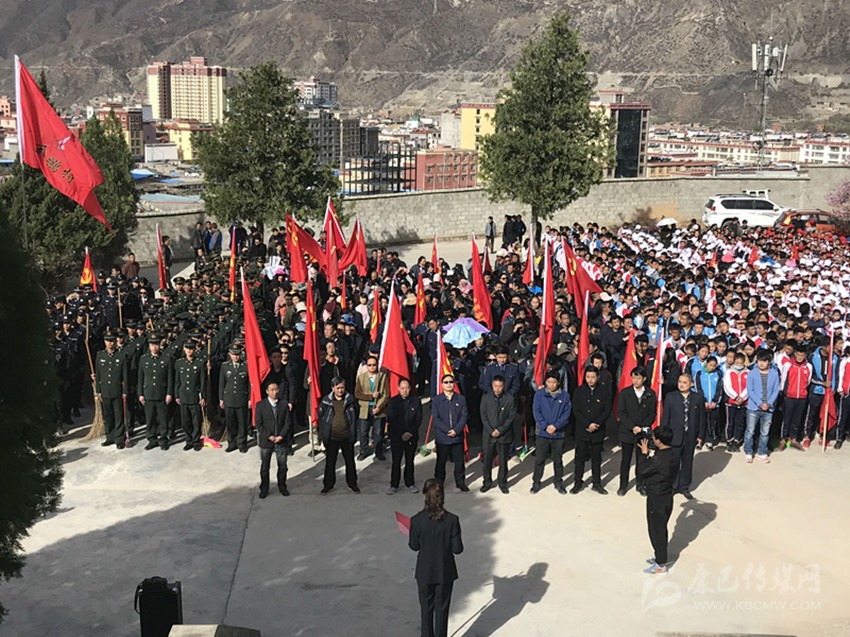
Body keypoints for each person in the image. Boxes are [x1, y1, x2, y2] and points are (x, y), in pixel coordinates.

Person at [409, 478, 463, 637]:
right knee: (442, 610)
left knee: (426, 610)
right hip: (445, 571)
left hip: (425, 571)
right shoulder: (452, 520)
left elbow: (414, 546)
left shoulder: (416, 520)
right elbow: (457, 549)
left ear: (424, 496)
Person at [637, 425, 679, 574]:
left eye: (654, 438)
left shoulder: (658, 460)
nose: (652, 439)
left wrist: (644, 455)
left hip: (657, 498)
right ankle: (660, 556)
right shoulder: (674, 454)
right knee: (661, 528)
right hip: (667, 496)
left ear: (659, 441)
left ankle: (661, 563)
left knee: (656, 530)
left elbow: (641, 471)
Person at [660, 373, 705, 500]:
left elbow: (702, 418)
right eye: (680, 382)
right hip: (674, 436)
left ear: (691, 384)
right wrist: (664, 436)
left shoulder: (698, 398)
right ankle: (673, 486)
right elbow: (666, 418)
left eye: (685, 382)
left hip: (690, 436)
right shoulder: (671, 397)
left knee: (687, 462)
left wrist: (701, 435)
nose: (681, 384)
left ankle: (684, 486)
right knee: (673, 463)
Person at [617, 366, 656, 496]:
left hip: (642, 432)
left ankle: (640, 484)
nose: (635, 381)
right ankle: (623, 485)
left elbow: (652, 413)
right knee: (626, 460)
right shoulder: (625, 393)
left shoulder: (650, 394)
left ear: (644, 379)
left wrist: (642, 426)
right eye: (633, 378)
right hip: (627, 432)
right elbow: (621, 412)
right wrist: (632, 426)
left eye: (638, 378)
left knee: (641, 460)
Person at [530, 371, 572, 494]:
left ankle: (558, 482)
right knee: (540, 459)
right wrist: (545, 426)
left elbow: (566, 414)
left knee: (558, 460)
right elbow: (536, 412)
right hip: (542, 433)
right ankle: (536, 482)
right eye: (549, 382)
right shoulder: (539, 395)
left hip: (558, 433)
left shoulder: (565, 396)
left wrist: (556, 426)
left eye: (554, 382)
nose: (551, 384)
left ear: (558, 382)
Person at [571, 367, 611, 494]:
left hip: (598, 430)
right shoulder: (579, 391)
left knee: (596, 458)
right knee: (579, 458)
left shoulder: (604, 391)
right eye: (588, 377)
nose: (590, 380)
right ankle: (578, 482)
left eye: (593, 377)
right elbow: (576, 410)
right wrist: (587, 424)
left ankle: (596, 483)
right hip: (582, 430)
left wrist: (596, 424)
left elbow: (607, 411)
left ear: (598, 377)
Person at [317, 376, 359, 494]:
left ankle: (353, 484)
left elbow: (356, 415)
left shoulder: (350, 400)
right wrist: (323, 435)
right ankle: (328, 485)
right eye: (338, 388)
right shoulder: (326, 401)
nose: (340, 390)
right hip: (332, 438)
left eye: (342, 388)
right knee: (330, 463)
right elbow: (321, 418)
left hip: (346, 436)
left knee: (350, 462)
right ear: (332, 388)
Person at [432, 374, 469, 492]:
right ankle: (438, 483)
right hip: (443, 437)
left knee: (459, 462)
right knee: (441, 462)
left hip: (457, 437)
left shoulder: (461, 399)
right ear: (442, 385)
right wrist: (447, 430)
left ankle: (460, 482)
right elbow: (436, 418)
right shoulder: (436, 400)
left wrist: (456, 430)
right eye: (446, 382)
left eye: (451, 382)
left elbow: (464, 416)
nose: (449, 384)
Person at [479, 375, 516, 494]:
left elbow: (511, 417)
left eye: (500, 386)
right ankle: (487, 482)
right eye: (495, 386)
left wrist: (500, 430)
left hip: (503, 435)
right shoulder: (486, 398)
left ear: (504, 386)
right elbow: (483, 416)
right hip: (488, 435)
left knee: (503, 461)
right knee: (487, 461)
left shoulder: (510, 399)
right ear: (492, 385)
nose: (497, 389)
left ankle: (502, 483)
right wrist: (491, 430)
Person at [254, 382, 291, 498]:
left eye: (276, 389)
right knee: (265, 467)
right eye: (272, 390)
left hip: (281, 440)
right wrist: (269, 436)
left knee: (283, 466)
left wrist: (281, 436)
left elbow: (287, 423)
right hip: (267, 441)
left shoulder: (284, 404)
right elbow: (259, 424)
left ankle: (282, 486)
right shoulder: (260, 405)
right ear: (267, 391)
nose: (275, 392)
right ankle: (264, 488)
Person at [386, 378, 422, 494]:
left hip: (411, 436)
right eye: (402, 388)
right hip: (397, 437)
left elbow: (418, 419)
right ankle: (394, 485)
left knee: (409, 460)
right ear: (398, 388)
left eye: (407, 388)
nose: (405, 391)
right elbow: (391, 419)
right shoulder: (392, 402)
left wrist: (409, 433)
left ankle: (410, 483)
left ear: (410, 388)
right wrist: (402, 433)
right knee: (396, 461)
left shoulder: (416, 401)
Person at [744, 350, 781, 463]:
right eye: (760, 360)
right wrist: (760, 403)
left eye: (764, 361)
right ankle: (748, 451)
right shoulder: (752, 373)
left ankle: (762, 452)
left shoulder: (774, 374)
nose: (761, 363)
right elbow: (750, 390)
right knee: (750, 431)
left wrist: (768, 403)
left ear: (769, 362)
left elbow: (776, 390)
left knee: (765, 432)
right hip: (754, 407)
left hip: (768, 408)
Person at [138, 335, 173, 451]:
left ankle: (163, 440)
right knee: (150, 419)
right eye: (152, 345)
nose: (154, 347)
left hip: (162, 394)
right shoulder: (144, 359)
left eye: (156, 344)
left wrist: (169, 393)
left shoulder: (166, 358)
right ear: (149, 346)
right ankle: (152, 440)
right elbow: (140, 378)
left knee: (163, 419)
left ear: (160, 344)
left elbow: (170, 378)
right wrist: (140, 394)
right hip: (148, 394)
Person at [93, 333, 128, 448]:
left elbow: (125, 376)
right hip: (105, 390)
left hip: (117, 390)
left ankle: (119, 438)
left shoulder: (121, 355)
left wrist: (125, 391)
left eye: (112, 341)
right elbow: (98, 374)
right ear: (104, 342)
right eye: (108, 341)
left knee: (118, 415)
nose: (110, 343)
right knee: (107, 416)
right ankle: (110, 437)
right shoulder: (100, 355)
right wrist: (98, 390)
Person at [354, 356, 389, 460]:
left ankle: (379, 451)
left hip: (378, 409)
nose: (372, 367)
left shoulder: (383, 377)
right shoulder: (361, 377)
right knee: (363, 432)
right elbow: (357, 394)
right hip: (365, 409)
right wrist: (371, 396)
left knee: (378, 433)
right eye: (369, 365)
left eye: (374, 365)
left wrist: (379, 407)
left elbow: (386, 395)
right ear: (366, 366)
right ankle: (363, 451)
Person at [173, 341, 206, 451]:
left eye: (191, 348)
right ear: (184, 349)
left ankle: (196, 441)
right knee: (185, 421)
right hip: (183, 396)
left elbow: (202, 382)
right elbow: (177, 381)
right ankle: (189, 440)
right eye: (187, 348)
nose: (189, 351)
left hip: (194, 396)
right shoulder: (179, 363)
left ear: (195, 349)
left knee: (196, 421)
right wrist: (176, 395)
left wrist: (203, 397)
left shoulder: (200, 363)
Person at [219, 345, 250, 453]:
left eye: (237, 354)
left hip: (242, 398)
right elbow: (222, 383)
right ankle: (231, 443)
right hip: (229, 399)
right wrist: (221, 398)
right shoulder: (225, 366)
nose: (236, 357)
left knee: (242, 423)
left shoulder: (246, 366)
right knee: (230, 423)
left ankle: (242, 443)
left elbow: (249, 384)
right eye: (233, 354)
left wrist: (250, 398)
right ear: (230, 354)